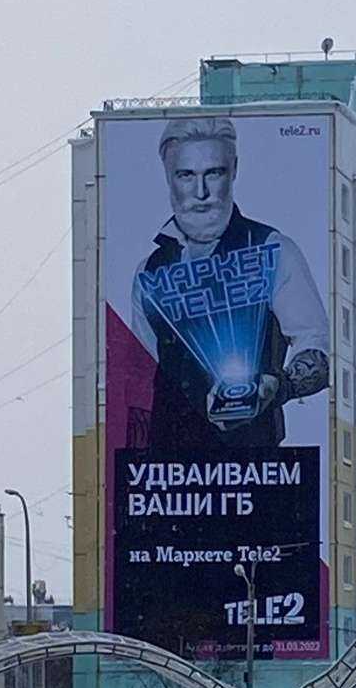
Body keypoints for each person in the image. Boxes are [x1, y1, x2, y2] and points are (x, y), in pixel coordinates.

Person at [128, 116, 330, 450]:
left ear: (233, 170)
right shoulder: (148, 272)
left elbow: (320, 349)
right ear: (168, 176)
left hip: (254, 467)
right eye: (186, 175)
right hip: (168, 474)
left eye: (214, 173)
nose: (202, 192)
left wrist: (277, 387)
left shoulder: (272, 249)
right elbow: (139, 378)